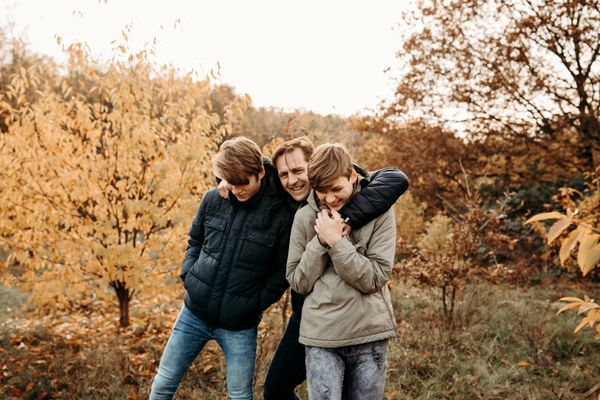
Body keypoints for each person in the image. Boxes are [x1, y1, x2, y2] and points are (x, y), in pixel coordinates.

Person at [149, 137, 295, 400]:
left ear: (260, 172)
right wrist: (189, 275)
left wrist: (253, 303)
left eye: (243, 183)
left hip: (239, 325)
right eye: (231, 182)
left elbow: (281, 272)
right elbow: (195, 240)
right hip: (193, 313)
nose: (237, 190)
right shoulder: (213, 199)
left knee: (239, 396)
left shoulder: (281, 215)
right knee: (162, 385)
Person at [263, 137, 408, 400]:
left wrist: (337, 241)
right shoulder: (303, 214)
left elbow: (375, 277)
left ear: (352, 176)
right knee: (276, 389)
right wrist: (320, 240)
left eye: (298, 171)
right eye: (284, 174)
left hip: (367, 331)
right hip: (317, 328)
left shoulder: (378, 206)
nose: (329, 199)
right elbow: (243, 173)